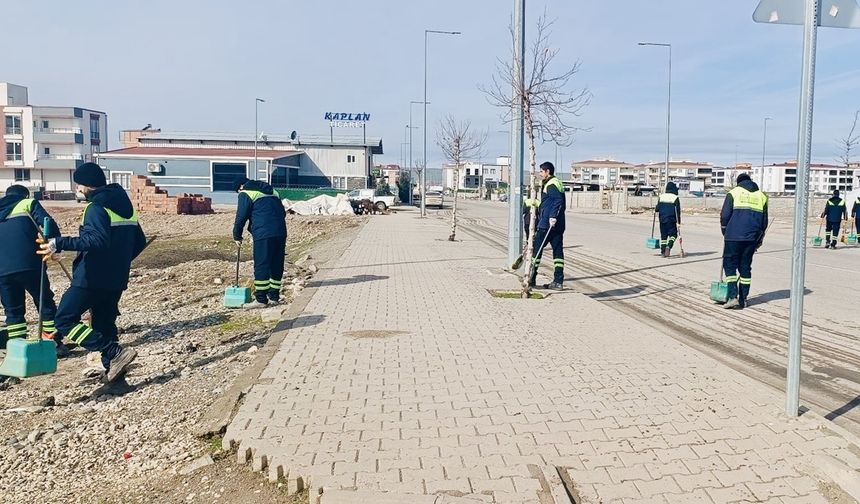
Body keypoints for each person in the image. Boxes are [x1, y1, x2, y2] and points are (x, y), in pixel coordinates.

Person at [38, 163, 146, 383]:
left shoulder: (95, 207)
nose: (78, 188)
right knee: (104, 325)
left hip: (91, 277)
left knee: (64, 320)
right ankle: (117, 382)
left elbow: (96, 240)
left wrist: (59, 243)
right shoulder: (126, 207)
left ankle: (113, 352)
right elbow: (139, 242)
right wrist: (119, 262)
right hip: (116, 279)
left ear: (87, 185)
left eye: (79, 184)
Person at [0, 185, 61, 348]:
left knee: (13, 309)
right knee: (44, 302)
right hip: (30, 265)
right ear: (25, 195)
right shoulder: (28, 203)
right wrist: (55, 246)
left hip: (2, 270)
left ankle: (17, 346)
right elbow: (49, 225)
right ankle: (53, 342)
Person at [232, 176, 288, 308]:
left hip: (263, 233)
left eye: (238, 191)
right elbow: (282, 213)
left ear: (241, 187)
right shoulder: (273, 192)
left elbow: (241, 216)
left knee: (262, 264)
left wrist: (237, 236)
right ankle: (274, 296)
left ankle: (261, 299)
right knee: (276, 263)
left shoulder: (246, 193)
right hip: (280, 231)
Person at [720, 173, 769, 310]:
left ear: (739, 182)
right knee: (745, 267)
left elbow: (724, 215)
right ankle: (743, 299)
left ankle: (732, 297)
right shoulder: (761, 196)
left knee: (730, 265)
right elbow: (764, 222)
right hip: (751, 238)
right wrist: (759, 239)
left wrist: (725, 231)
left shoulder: (734, 193)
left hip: (733, 236)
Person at [525, 162, 566, 290]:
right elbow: (550, 202)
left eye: (542, 171)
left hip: (547, 225)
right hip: (557, 225)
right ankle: (558, 281)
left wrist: (552, 216)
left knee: (536, 251)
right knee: (558, 252)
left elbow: (558, 200)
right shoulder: (557, 182)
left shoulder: (551, 184)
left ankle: (531, 278)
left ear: (548, 171)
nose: (540, 174)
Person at [655, 181, 682, 258]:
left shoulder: (661, 196)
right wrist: (678, 222)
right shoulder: (675, 198)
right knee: (673, 235)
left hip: (662, 219)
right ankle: (669, 246)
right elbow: (678, 211)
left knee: (663, 236)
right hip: (671, 219)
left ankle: (663, 252)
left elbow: (657, 209)